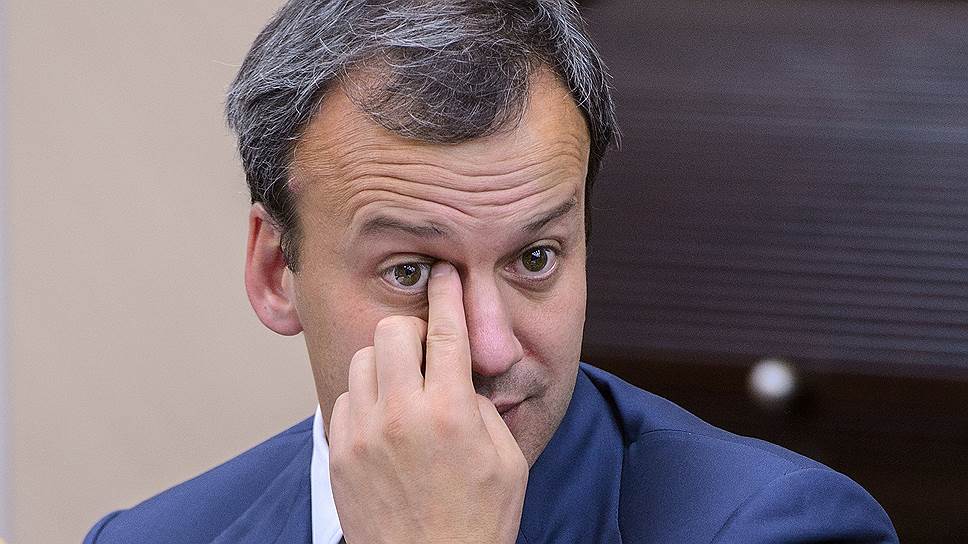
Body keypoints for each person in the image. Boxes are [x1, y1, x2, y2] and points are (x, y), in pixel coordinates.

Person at [85, 1, 899, 542]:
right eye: (411, 271)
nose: (490, 346)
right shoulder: (150, 538)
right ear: (275, 272)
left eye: (535, 258)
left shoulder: (778, 528)